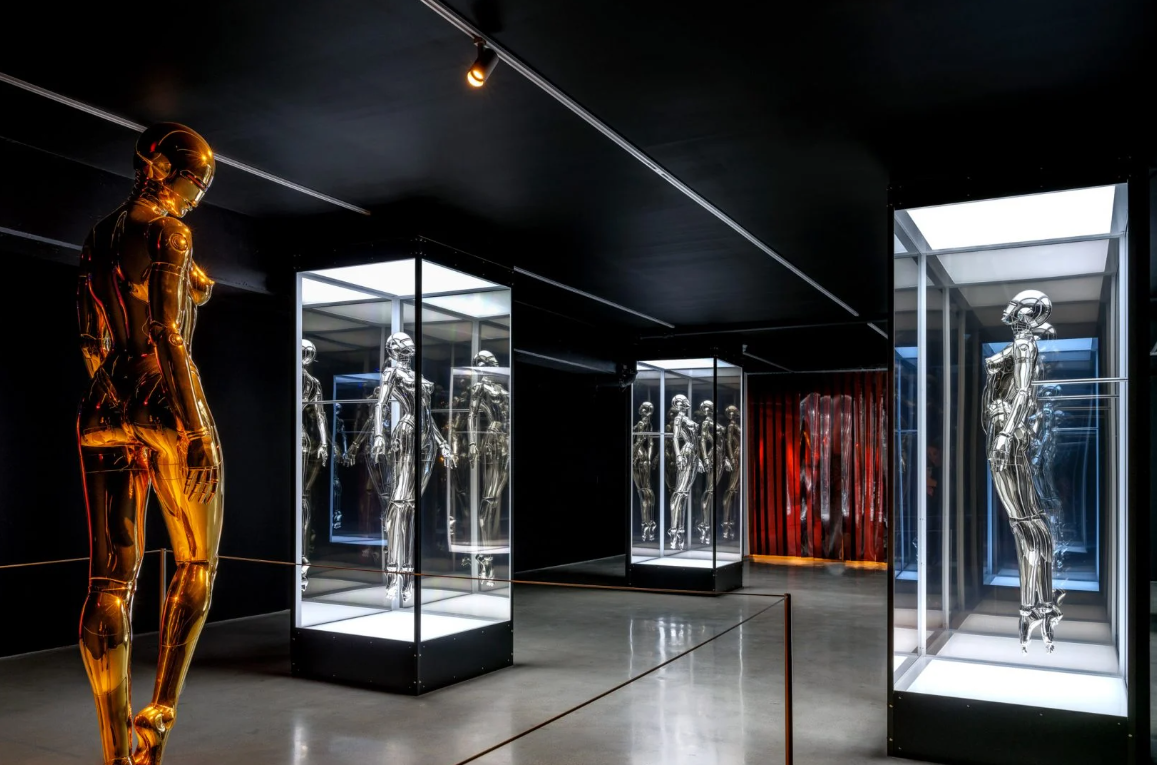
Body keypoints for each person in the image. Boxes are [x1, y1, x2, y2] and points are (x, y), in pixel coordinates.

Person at [76, 123, 222, 765]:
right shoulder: (171, 233)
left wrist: (117, 396)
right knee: (197, 563)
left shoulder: (98, 236)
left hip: (104, 400)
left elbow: (90, 337)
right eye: (195, 182)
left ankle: (114, 753)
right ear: (165, 172)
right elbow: (167, 332)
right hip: (164, 397)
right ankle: (160, 711)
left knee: (109, 582)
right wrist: (193, 430)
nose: (197, 195)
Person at [982, 289, 1063, 652]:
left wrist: (1005, 435)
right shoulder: (1021, 345)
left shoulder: (1024, 345)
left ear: (1027, 314)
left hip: (1006, 438)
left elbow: (1023, 394)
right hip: (1007, 436)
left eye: (1019, 308)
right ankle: (1040, 607)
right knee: (1030, 526)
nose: (1010, 311)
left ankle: (1032, 610)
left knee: (1026, 526)